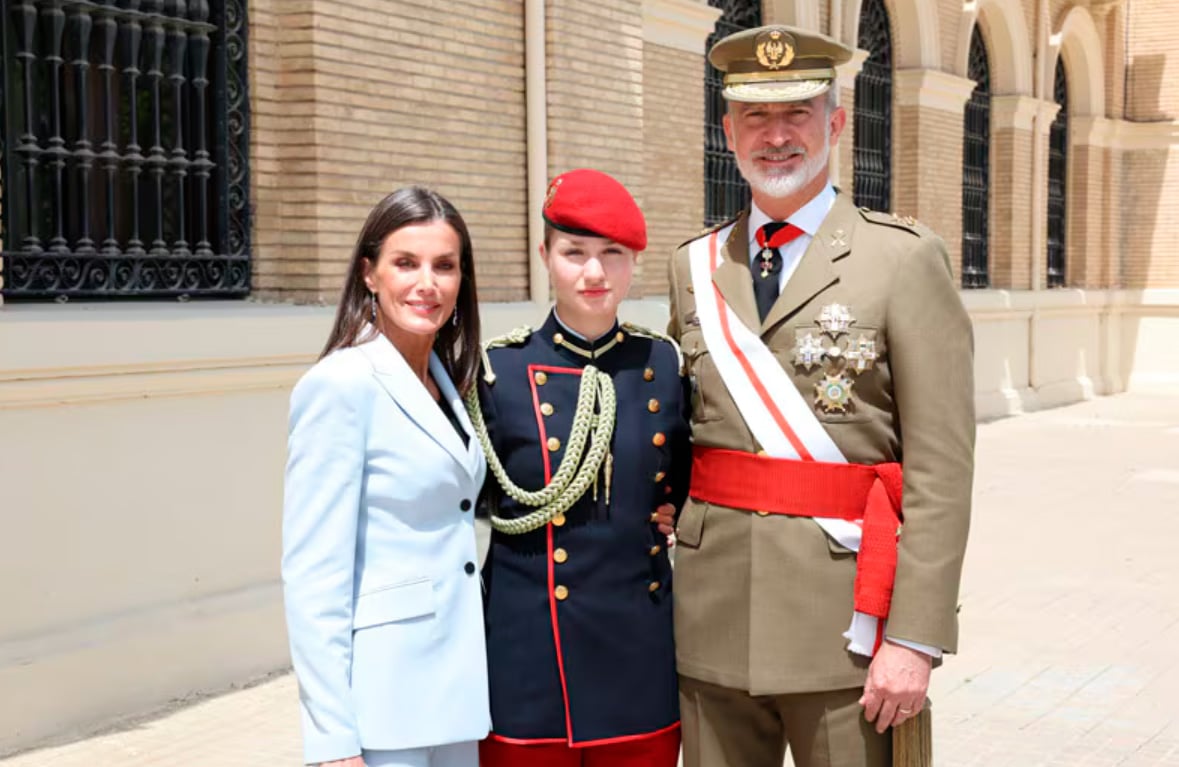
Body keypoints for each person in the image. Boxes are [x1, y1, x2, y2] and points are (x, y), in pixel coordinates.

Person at [667, 24, 975, 767]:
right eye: (755, 117)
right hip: (710, 624)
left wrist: (913, 636)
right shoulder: (693, 265)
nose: (776, 136)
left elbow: (941, 471)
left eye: (797, 112)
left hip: (846, 631)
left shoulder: (900, 259)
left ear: (835, 122)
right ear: (727, 131)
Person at [466, 168, 688, 767]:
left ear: (634, 261)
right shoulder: (495, 372)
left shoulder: (664, 365)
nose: (594, 273)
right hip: (527, 657)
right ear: (545, 255)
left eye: (612, 254)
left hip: (637, 653)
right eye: (574, 253)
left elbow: (689, 484)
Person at [282, 187, 489, 767]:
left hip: (455, 692)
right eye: (406, 263)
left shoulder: (448, 382)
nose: (428, 283)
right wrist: (332, 739)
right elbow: (313, 574)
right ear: (369, 274)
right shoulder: (341, 385)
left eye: (444, 266)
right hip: (381, 702)